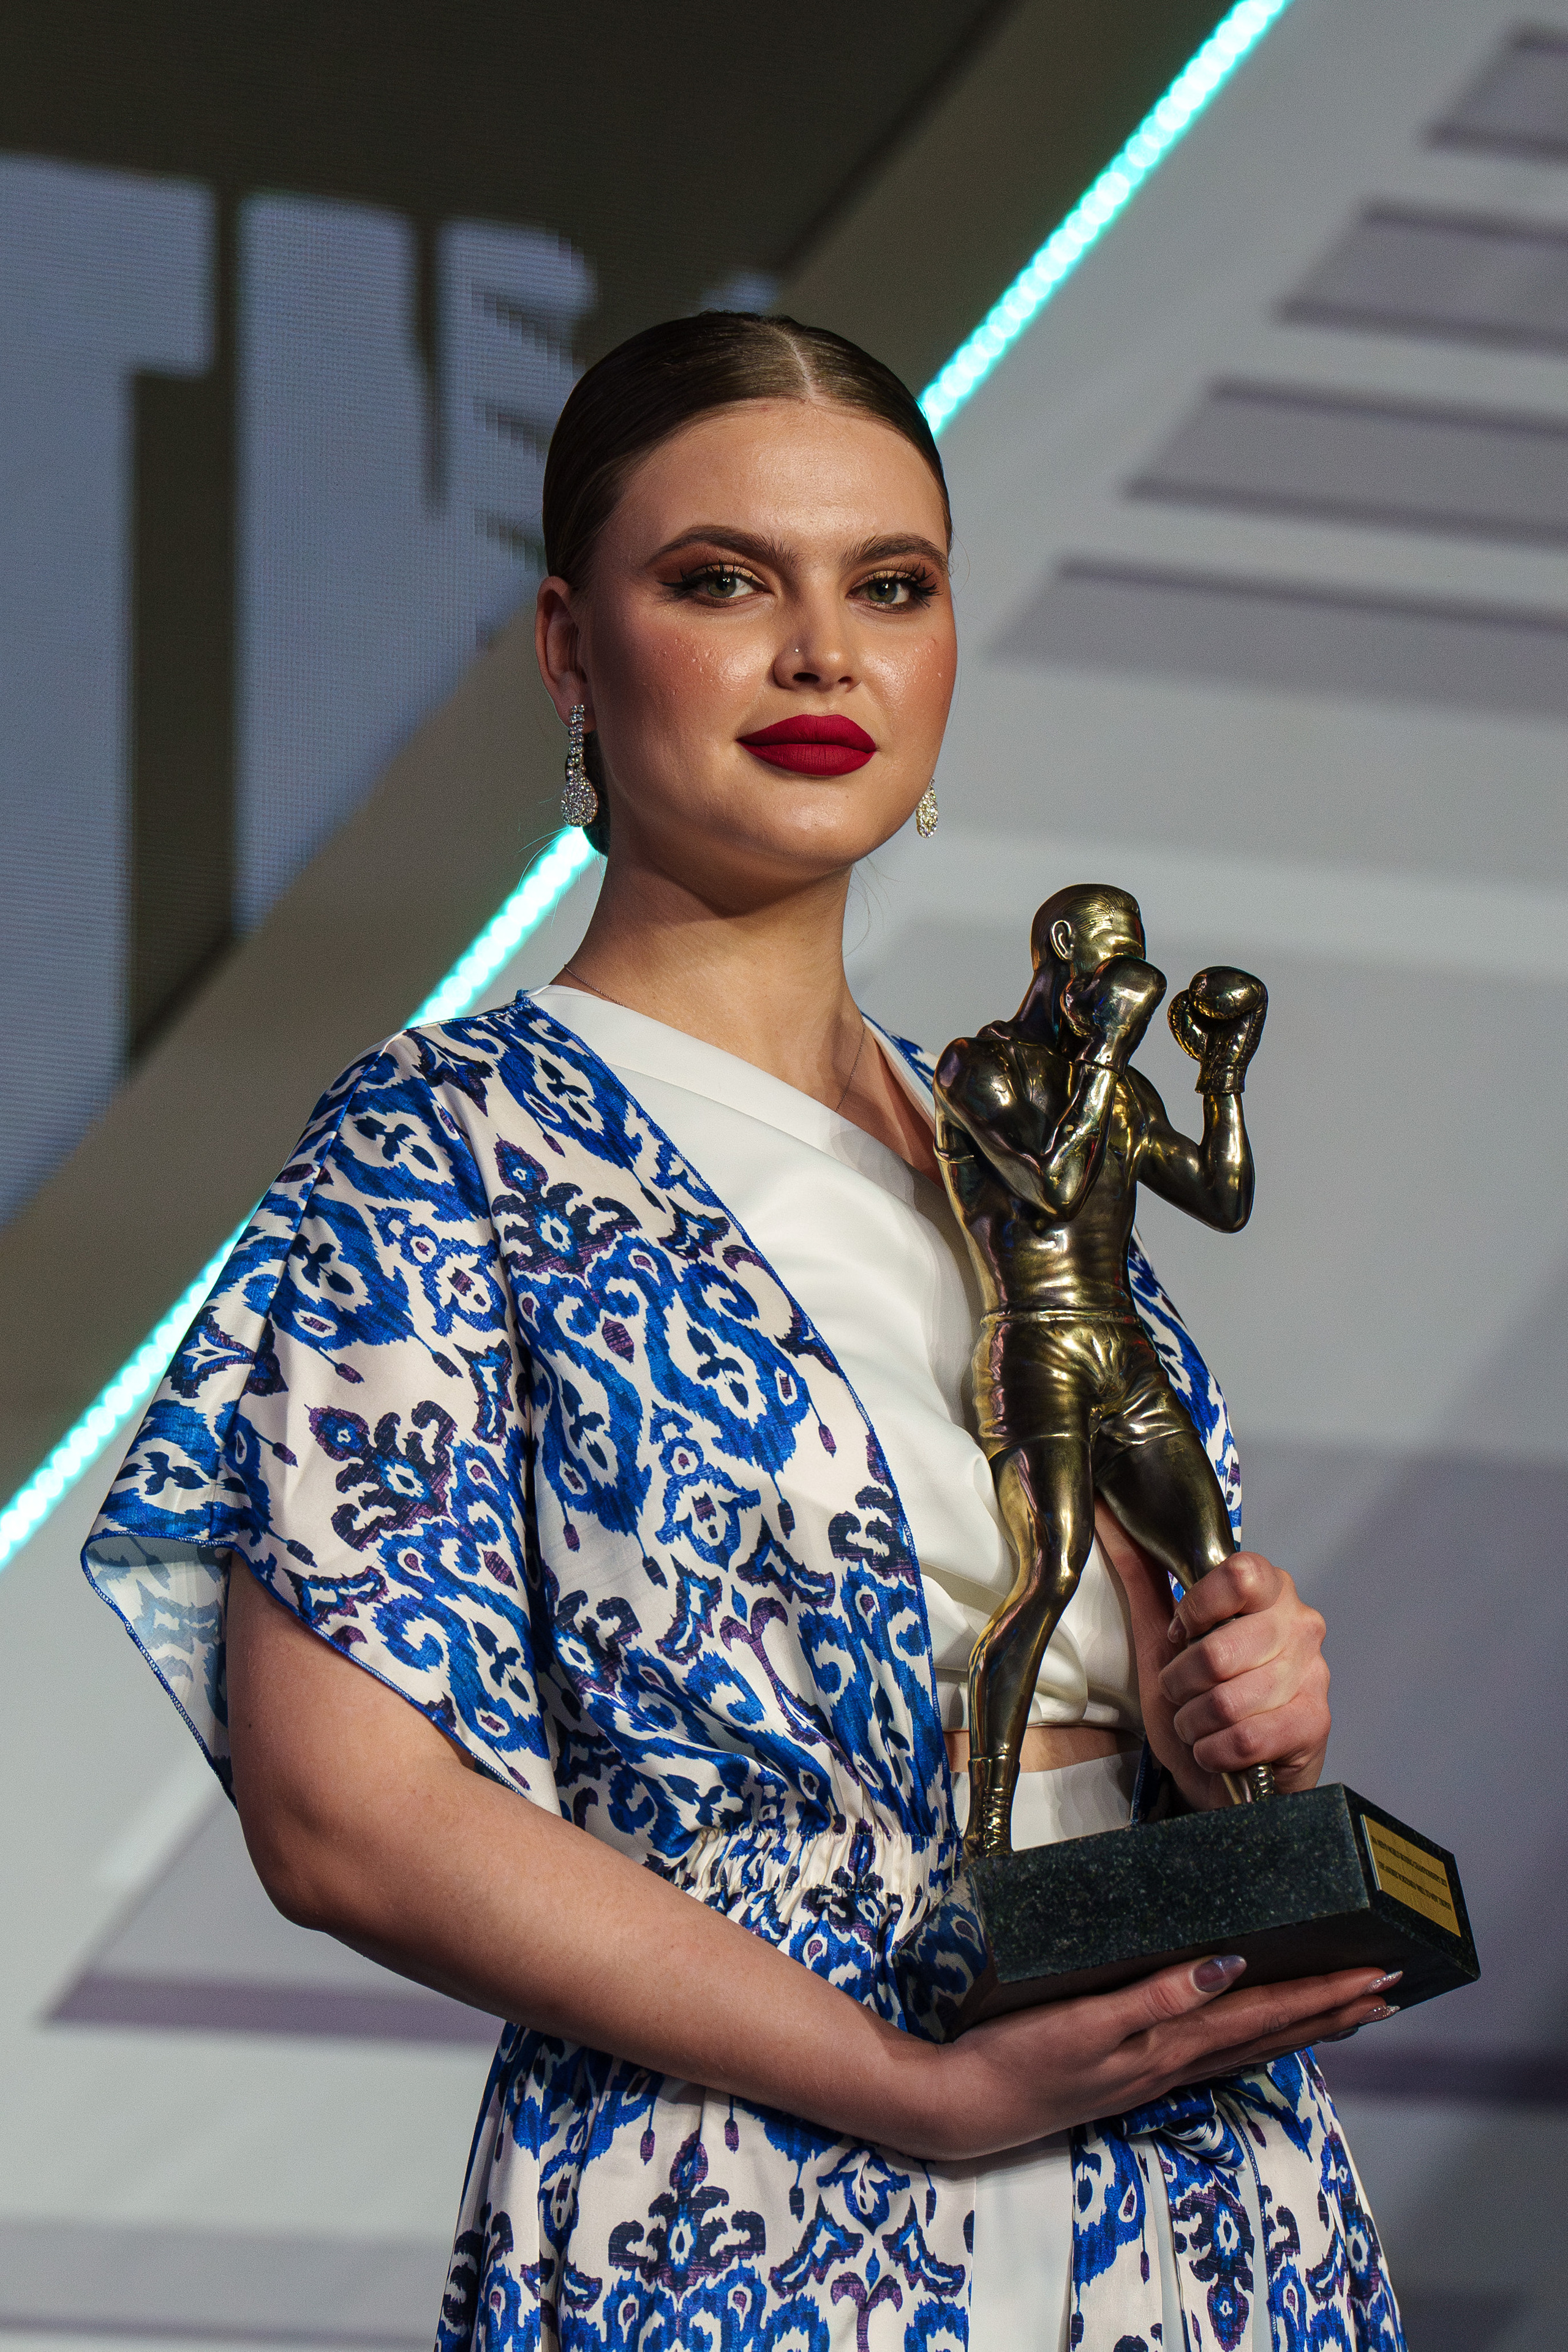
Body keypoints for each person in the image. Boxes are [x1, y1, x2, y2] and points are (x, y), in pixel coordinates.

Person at [84, 313, 1404, 2352]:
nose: (825, 657)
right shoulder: (450, 1140)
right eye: (724, 582)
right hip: (752, 2187)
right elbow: (346, 1812)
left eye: (893, 586)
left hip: (1201, 2189)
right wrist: (908, 2090)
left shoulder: (1003, 1134)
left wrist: (1234, 1712)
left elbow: (1121, 1695)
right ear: (567, 647)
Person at [933, 884, 1273, 1853]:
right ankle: (989, 1835)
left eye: (1138, 960)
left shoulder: (1116, 1087)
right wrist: (1111, 1053)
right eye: (1109, 958)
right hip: (1036, 1340)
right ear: (1062, 949)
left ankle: (1256, 1828)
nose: (1122, 980)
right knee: (1051, 1569)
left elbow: (1220, 1196)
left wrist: (1223, 1076)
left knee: (1215, 1574)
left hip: (1120, 1347)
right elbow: (1051, 1186)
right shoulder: (983, 1064)